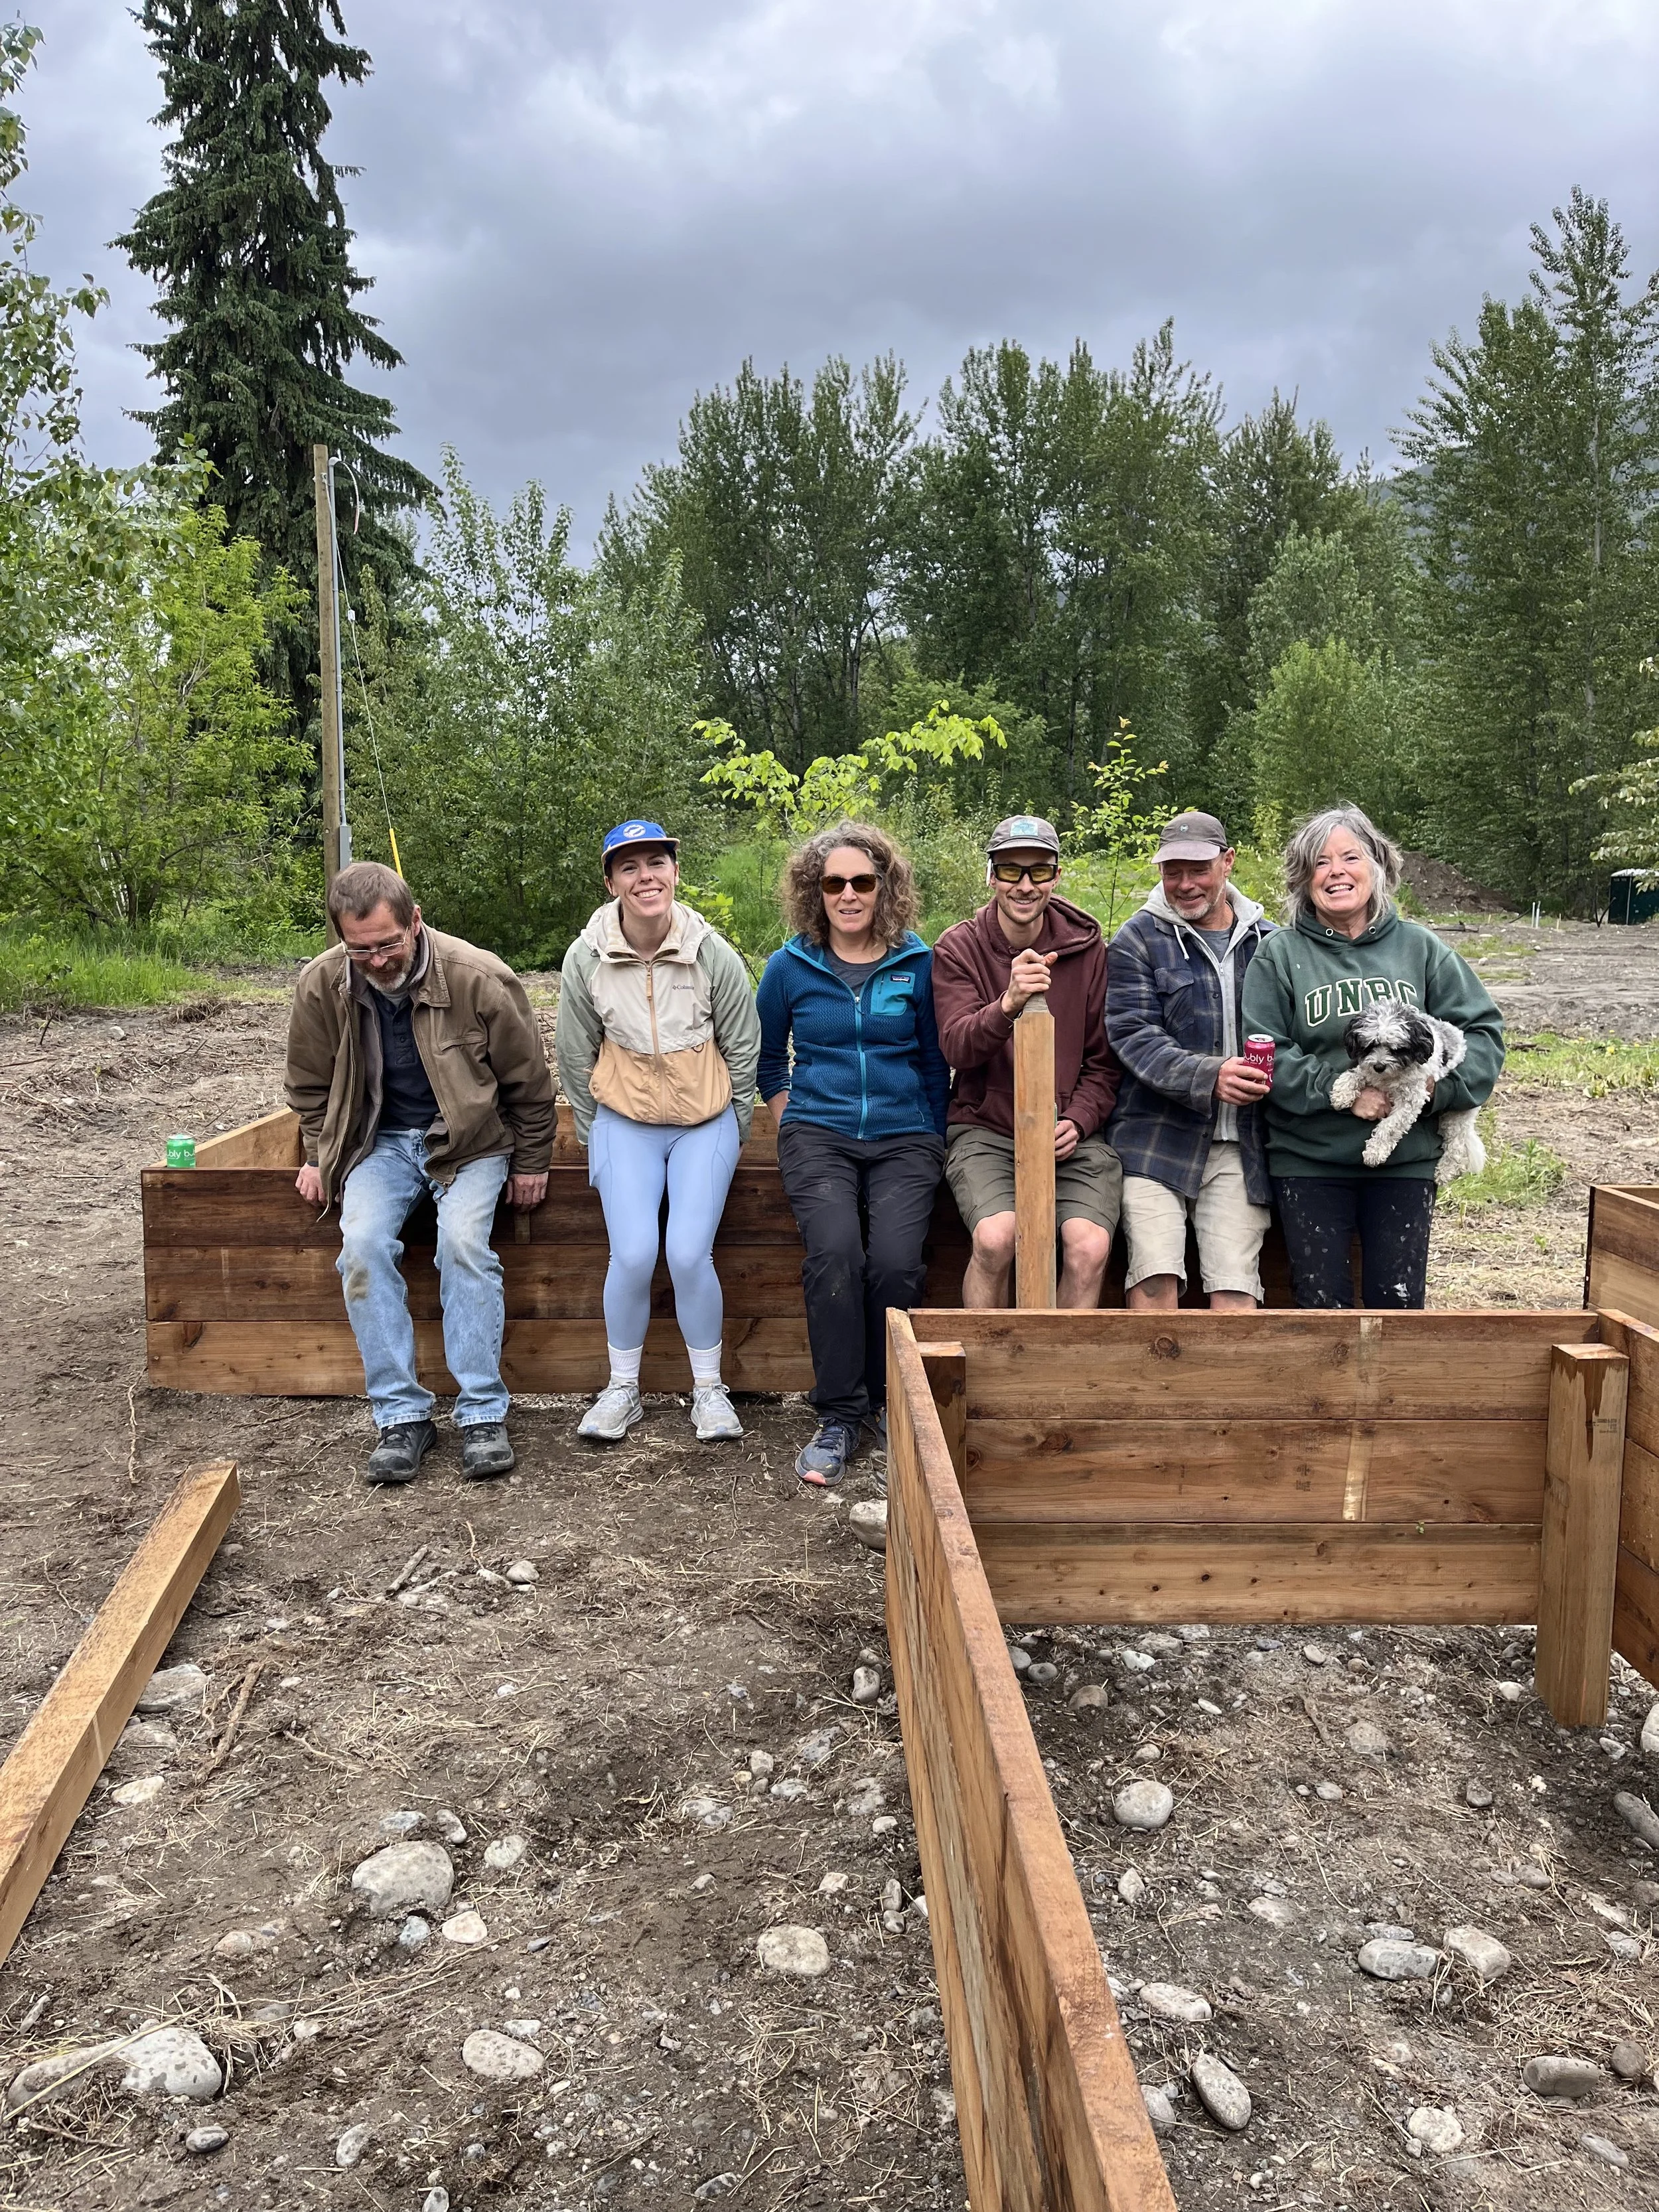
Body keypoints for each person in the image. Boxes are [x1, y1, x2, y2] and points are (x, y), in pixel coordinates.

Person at [285, 861, 555, 1483]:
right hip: (375, 1142)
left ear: (416, 921)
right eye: (360, 950)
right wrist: (318, 1154)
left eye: (387, 943)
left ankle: (483, 1413)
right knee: (361, 1248)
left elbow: (530, 1084)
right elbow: (308, 1084)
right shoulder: (321, 984)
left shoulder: (479, 977)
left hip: (471, 1142)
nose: (376, 960)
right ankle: (402, 1417)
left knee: (463, 1244)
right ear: (339, 940)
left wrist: (534, 1161)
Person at [1240, 803, 1504, 1309]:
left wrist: (1437, 1089)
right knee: (1320, 1307)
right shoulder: (1280, 954)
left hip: (1404, 1164)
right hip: (1309, 1161)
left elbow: (1483, 1032)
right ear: (1303, 880)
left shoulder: (1421, 948)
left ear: (1378, 865)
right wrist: (1343, 1095)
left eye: (1350, 857)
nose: (1336, 872)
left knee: (1399, 1306)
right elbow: (1266, 1050)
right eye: (1319, 863)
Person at [756, 821, 950, 1487]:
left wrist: (934, 1132)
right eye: (833, 882)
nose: (847, 894)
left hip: (905, 1136)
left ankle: (893, 1406)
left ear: (884, 888)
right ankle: (839, 1415)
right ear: (816, 891)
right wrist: (791, 1124)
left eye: (861, 882)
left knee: (895, 1265)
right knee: (835, 1253)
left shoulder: (918, 964)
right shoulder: (788, 967)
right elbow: (767, 1064)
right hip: (819, 1135)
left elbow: (933, 1060)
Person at [555, 821, 761, 1443]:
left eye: (657, 862)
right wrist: (599, 1139)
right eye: (629, 867)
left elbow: (744, 1047)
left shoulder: (711, 952)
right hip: (625, 1122)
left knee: (686, 1252)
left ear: (675, 870)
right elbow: (573, 1054)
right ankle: (622, 1390)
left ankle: (709, 1391)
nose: (645, 876)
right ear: (611, 880)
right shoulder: (586, 956)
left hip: (705, 1122)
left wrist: (733, 1127)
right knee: (636, 1252)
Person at [931, 814, 1121, 1307]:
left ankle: (1058, 1375)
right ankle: (989, 1368)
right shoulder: (959, 947)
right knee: (997, 1239)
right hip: (987, 1128)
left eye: (1039, 871)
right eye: (1011, 870)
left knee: (1090, 1245)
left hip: (1069, 1134)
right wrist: (1007, 1004)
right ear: (991, 875)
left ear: (1056, 876)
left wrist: (1078, 1120)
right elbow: (956, 1046)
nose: (1025, 884)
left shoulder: (1087, 947)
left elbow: (1104, 1062)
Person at [1106, 810, 1276, 1309]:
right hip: (1154, 1138)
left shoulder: (1270, 942)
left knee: (1234, 1291)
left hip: (1239, 1147)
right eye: (1172, 871)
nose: (1185, 884)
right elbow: (1134, 1035)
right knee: (1154, 1279)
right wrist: (1211, 1074)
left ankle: (1226, 1391)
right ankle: (1154, 1390)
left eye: (1198, 869)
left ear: (1227, 862)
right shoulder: (1137, 939)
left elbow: (1293, 1035)